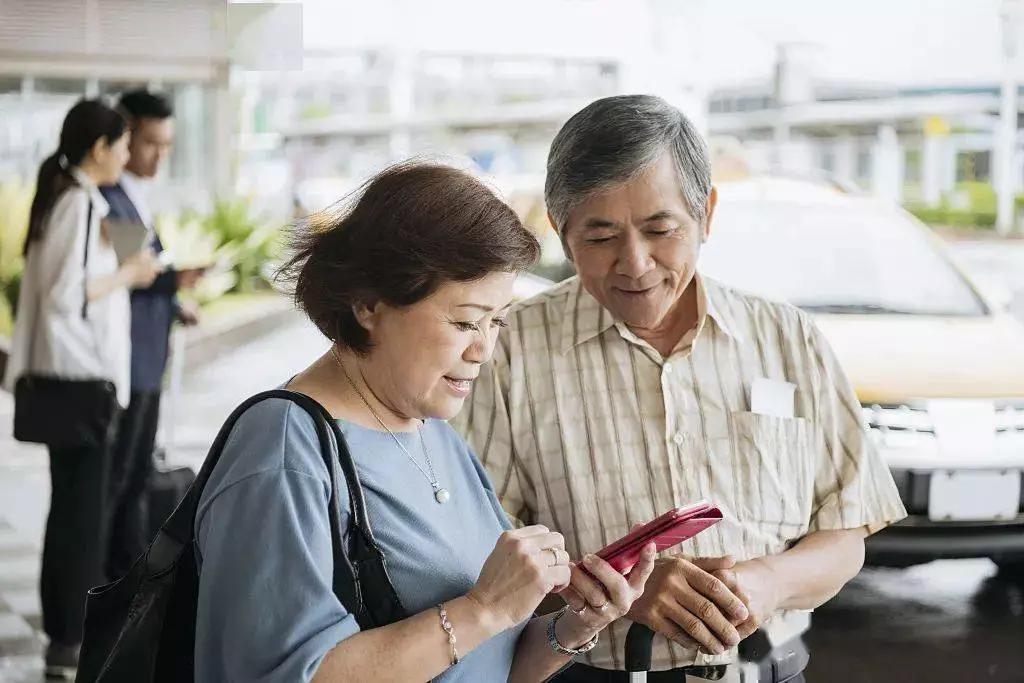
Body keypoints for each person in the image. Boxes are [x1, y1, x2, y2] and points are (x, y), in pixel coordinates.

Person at [452, 94, 908, 682]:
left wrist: (766, 582)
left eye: (660, 229)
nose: (635, 263)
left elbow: (846, 533)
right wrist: (618, 595)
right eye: (600, 237)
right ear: (564, 236)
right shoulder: (507, 350)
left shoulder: (789, 338)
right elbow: (476, 554)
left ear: (707, 215)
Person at [193, 161, 656, 682]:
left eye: (496, 320)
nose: (484, 349)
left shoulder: (430, 428)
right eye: (463, 321)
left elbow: (488, 664)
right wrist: (484, 607)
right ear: (368, 303)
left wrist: (570, 626)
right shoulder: (284, 450)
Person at [2, 99, 163, 679]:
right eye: (124, 144)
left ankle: (63, 638)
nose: (127, 153)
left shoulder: (73, 199)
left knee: (72, 512)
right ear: (101, 149)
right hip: (81, 385)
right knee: (82, 517)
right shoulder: (76, 200)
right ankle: (70, 639)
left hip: (77, 383)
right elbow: (66, 297)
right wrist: (130, 274)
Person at [100, 89, 201, 581]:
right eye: (149, 144)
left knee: (136, 475)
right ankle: (111, 585)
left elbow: (144, 273)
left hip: (146, 358)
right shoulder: (109, 196)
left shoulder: (135, 196)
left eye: (167, 145)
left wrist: (175, 301)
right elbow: (132, 270)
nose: (160, 155)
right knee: (120, 480)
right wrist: (174, 280)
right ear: (124, 136)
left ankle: (126, 581)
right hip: (127, 363)